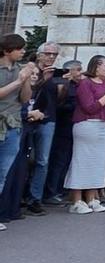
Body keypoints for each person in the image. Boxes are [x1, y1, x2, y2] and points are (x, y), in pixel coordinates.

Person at [65, 56, 105, 213]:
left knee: (99, 162)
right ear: (96, 67)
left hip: (104, 125)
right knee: (82, 161)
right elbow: (90, 107)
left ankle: (92, 197)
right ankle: (77, 199)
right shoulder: (85, 83)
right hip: (87, 124)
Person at [0, 34, 36, 228]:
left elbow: (25, 99)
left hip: (14, 126)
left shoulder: (20, 70)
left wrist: (26, 79)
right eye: (19, 48)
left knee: (3, 172)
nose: (23, 52)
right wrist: (18, 81)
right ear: (7, 50)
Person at [24, 42, 61, 214]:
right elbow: (27, 93)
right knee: (22, 158)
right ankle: (19, 194)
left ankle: (35, 198)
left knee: (42, 161)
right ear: (39, 54)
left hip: (48, 119)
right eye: (48, 53)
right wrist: (43, 80)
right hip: (27, 118)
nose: (51, 57)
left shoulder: (56, 74)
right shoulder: (31, 71)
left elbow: (58, 99)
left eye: (54, 54)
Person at [43, 60, 84, 203]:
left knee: (66, 160)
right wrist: (75, 106)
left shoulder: (77, 86)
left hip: (72, 127)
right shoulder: (60, 84)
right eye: (78, 70)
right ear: (69, 71)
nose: (81, 73)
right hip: (62, 126)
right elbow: (57, 106)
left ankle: (60, 189)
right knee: (58, 160)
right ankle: (51, 192)